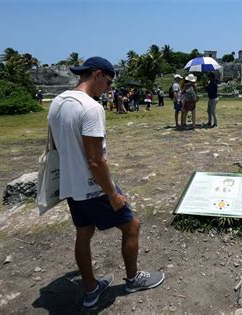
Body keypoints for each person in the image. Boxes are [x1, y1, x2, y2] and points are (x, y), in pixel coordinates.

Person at [47, 57, 164, 307]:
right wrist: (112, 194)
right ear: (97, 74)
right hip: (92, 187)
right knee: (132, 225)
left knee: (83, 233)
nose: (108, 89)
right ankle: (133, 279)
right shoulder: (91, 108)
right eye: (108, 82)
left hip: (71, 185)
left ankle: (90, 290)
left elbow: (57, 146)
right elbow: (96, 160)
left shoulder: (58, 102)